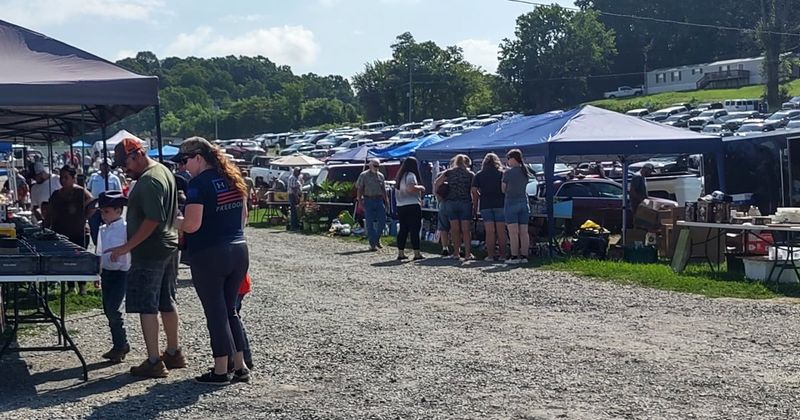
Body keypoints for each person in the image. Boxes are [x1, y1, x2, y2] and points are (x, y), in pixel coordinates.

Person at [174, 137, 250, 385]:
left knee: (215, 313)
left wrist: (174, 222)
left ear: (198, 157)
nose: (183, 167)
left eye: (185, 161)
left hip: (209, 253)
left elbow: (192, 224)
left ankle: (220, 370)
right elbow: (244, 218)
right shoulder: (232, 178)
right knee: (230, 311)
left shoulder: (197, 184)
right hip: (239, 249)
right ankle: (240, 367)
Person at [109, 138, 184, 379]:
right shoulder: (163, 171)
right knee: (166, 300)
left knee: (147, 305)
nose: (124, 169)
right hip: (169, 246)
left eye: (126, 163)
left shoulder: (149, 180)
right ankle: (173, 352)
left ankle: (154, 361)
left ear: (138, 154)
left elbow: (153, 219)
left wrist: (126, 247)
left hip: (150, 251)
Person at [44, 165, 94, 294]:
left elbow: (93, 204)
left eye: (66, 177)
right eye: (61, 177)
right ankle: (70, 286)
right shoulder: (56, 195)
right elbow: (50, 212)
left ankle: (82, 286)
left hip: (79, 232)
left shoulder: (81, 192)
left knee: (79, 259)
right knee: (65, 260)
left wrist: (84, 217)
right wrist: (45, 226)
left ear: (73, 178)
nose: (63, 180)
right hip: (61, 232)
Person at [95, 191, 131, 363]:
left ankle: (121, 344)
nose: (103, 215)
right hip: (107, 272)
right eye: (102, 212)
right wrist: (97, 271)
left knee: (114, 309)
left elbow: (130, 248)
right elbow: (100, 251)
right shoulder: (102, 229)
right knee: (108, 309)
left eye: (106, 211)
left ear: (118, 210)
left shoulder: (126, 228)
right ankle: (119, 344)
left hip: (121, 272)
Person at [437, 154, 474, 260]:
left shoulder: (449, 172)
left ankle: (456, 253)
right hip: (465, 202)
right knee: (466, 230)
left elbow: (437, 183)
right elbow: (473, 190)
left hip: (451, 202)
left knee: (454, 229)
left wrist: (440, 196)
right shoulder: (470, 174)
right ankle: (467, 254)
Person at [472, 153, 507, 262]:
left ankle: (490, 255)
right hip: (500, 204)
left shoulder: (479, 175)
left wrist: (475, 205)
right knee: (501, 231)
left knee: (490, 231)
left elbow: (474, 191)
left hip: (485, 205)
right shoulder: (502, 174)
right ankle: (503, 255)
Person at [502, 149, 532, 264]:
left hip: (511, 203)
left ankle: (514, 256)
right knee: (524, 232)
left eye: (508, 159)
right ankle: (524, 256)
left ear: (512, 159)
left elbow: (503, 189)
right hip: (524, 203)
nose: (507, 161)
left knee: (513, 232)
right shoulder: (525, 171)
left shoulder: (508, 173)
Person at [394, 157, 426, 261]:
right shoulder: (411, 175)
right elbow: (410, 188)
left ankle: (401, 252)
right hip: (412, 205)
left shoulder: (399, 177)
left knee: (403, 229)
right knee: (414, 229)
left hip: (400, 205)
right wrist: (421, 188)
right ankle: (416, 253)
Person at [356, 159, 388, 251]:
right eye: (375, 166)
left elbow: (383, 189)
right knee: (369, 223)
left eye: (378, 166)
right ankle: (372, 243)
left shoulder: (381, 176)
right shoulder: (364, 175)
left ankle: (376, 239)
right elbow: (360, 188)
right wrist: (360, 202)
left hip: (379, 199)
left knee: (382, 221)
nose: (377, 168)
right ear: (370, 166)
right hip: (368, 199)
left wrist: (386, 201)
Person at [87, 161, 122, 245]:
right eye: (103, 165)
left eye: (107, 166)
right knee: (94, 228)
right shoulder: (94, 176)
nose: (104, 167)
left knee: (109, 227)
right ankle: (97, 245)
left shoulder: (114, 178)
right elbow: (88, 189)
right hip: (95, 206)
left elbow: (119, 193)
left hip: (109, 207)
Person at [236, 273, 254, 370]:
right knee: (234, 318)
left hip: (234, 282)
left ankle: (244, 359)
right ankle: (244, 358)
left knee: (232, 319)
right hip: (239, 282)